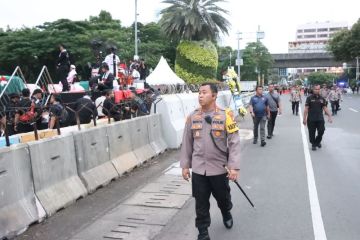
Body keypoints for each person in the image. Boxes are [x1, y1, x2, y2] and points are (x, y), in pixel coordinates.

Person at [180, 83, 241, 240]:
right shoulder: (192, 116)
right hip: (199, 170)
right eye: (199, 92)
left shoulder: (226, 116)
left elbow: (234, 142)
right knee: (200, 203)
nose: (200, 95)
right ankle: (203, 231)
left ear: (214, 96)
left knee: (223, 198)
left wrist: (234, 167)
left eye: (204, 92)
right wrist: (185, 166)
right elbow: (187, 142)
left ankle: (226, 211)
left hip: (220, 169)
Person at [303, 85, 333, 151]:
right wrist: (304, 119)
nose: (317, 90)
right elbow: (306, 109)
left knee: (321, 131)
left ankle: (317, 141)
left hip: (320, 118)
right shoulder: (309, 98)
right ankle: (313, 144)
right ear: (313, 90)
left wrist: (329, 116)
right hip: (311, 119)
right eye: (316, 89)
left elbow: (325, 108)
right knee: (312, 132)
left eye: (318, 89)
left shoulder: (322, 99)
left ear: (320, 90)